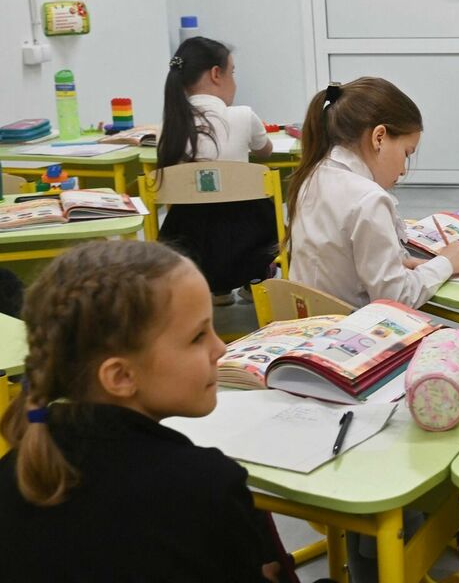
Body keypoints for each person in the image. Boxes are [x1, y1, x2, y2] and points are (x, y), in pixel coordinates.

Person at [0, 241, 281, 582]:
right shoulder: (204, 488)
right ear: (120, 376)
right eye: (197, 337)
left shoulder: (20, 470)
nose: (219, 347)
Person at [287, 77, 459, 308]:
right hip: (350, 333)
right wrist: (446, 263)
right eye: (407, 152)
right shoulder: (368, 199)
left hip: (308, 326)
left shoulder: (313, 175)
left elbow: (341, 261)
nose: (403, 170)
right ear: (379, 137)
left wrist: (400, 262)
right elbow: (397, 297)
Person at [157, 37, 278, 306]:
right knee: (261, 203)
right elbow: (266, 152)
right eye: (232, 72)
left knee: (198, 210)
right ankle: (255, 281)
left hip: (191, 249)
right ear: (216, 74)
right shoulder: (244, 116)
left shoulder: (169, 127)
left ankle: (217, 292)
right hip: (249, 247)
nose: (234, 81)